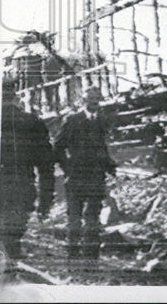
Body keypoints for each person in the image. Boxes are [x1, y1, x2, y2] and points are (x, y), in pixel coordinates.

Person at [53, 85, 116, 261]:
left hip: (96, 178)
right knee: (74, 217)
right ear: (84, 101)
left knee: (93, 218)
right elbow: (58, 148)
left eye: (97, 100)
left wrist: (110, 166)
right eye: (90, 100)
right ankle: (72, 257)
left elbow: (101, 149)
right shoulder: (72, 120)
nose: (94, 103)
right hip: (76, 178)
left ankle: (91, 258)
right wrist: (68, 168)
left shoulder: (102, 121)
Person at [0, 78, 55, 260]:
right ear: (15, 96)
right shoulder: (32, 123)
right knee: (11, 240)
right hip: (21, 190)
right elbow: (46, 166)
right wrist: (45, 200)